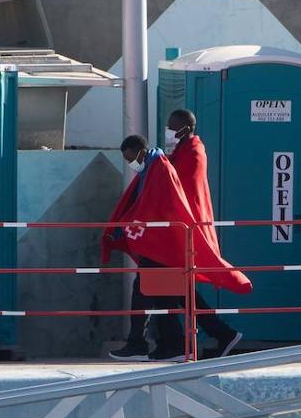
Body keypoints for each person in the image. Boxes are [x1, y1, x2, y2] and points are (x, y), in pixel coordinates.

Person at [102, 134, 251, 362]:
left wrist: (127, 226)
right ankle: (209, 336)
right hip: (164, 242)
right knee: (173, 295)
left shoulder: (159, 168)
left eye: (130, 158)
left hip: (163, 243)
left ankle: (143, 344)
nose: (130, 164)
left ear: (140, 151)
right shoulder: (154, 166)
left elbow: (153, 206)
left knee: (149, 291)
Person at [164, 109, 244, 359]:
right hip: (179, 230)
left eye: (172, 126)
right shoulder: (183, 151)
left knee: (169, 287)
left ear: (185, 128)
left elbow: (178, 186)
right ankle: (218, 333)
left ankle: (188, 341)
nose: (168, 131)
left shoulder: (193, 153)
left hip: (185, 231)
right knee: (175, 288)